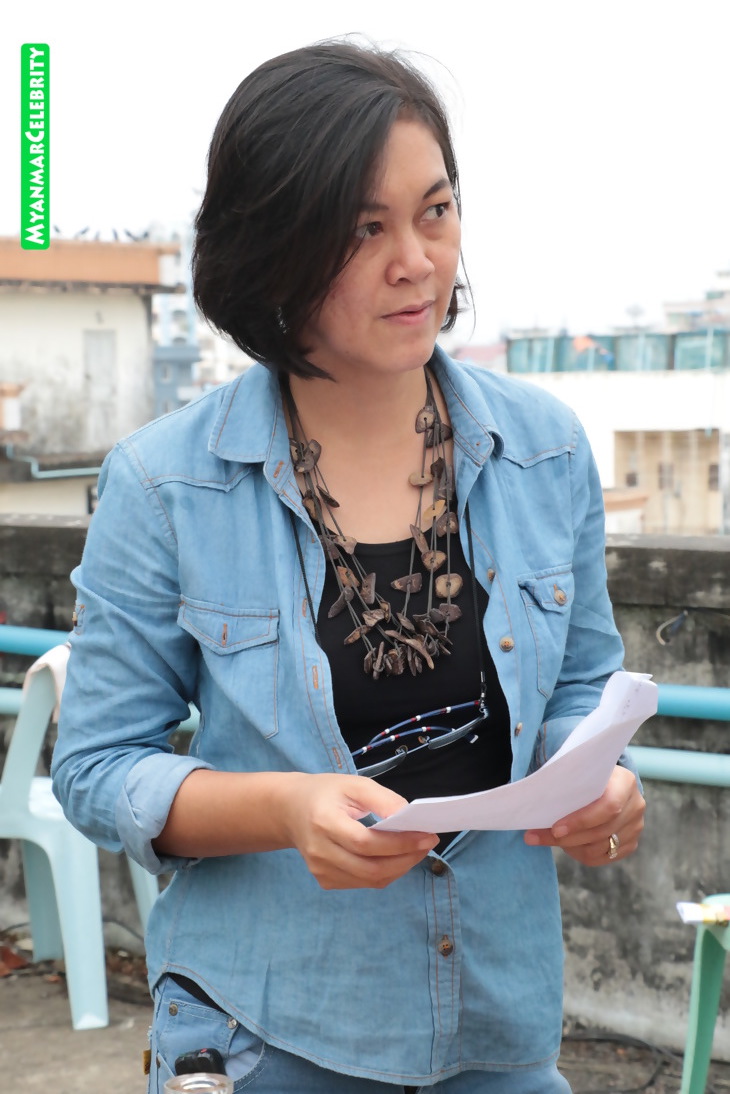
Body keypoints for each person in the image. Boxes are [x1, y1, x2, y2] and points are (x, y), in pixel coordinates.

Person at [52, 39, 645, 1094]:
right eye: (364, 229)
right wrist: (285, 809)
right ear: (273, 249)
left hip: (499, 1029)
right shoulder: (165, 483)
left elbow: (579, 690)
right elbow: (98, 768)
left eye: (435, 211)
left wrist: (596, 782)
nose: (415, 259)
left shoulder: (545, 449)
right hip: (266, 1032)